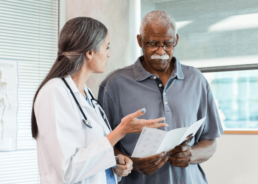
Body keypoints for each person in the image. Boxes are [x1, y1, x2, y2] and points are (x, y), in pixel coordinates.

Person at [31, 17, 167, 184]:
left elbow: (91, 157)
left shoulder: (87, 96)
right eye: (106, 47)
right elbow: (67, 170)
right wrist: (120, 131)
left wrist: (115, 164)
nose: (109, 53)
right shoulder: (54, 92)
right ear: (90, 52)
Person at [98, 11, 224, 184]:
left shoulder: (196, 80)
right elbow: (101, 146)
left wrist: (192, 155)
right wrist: (133, 163)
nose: (161, 51)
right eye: (152, 44)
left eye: (168, 44)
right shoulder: (114, 84)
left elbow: (210, 141)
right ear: (140, 41)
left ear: (176, 40)